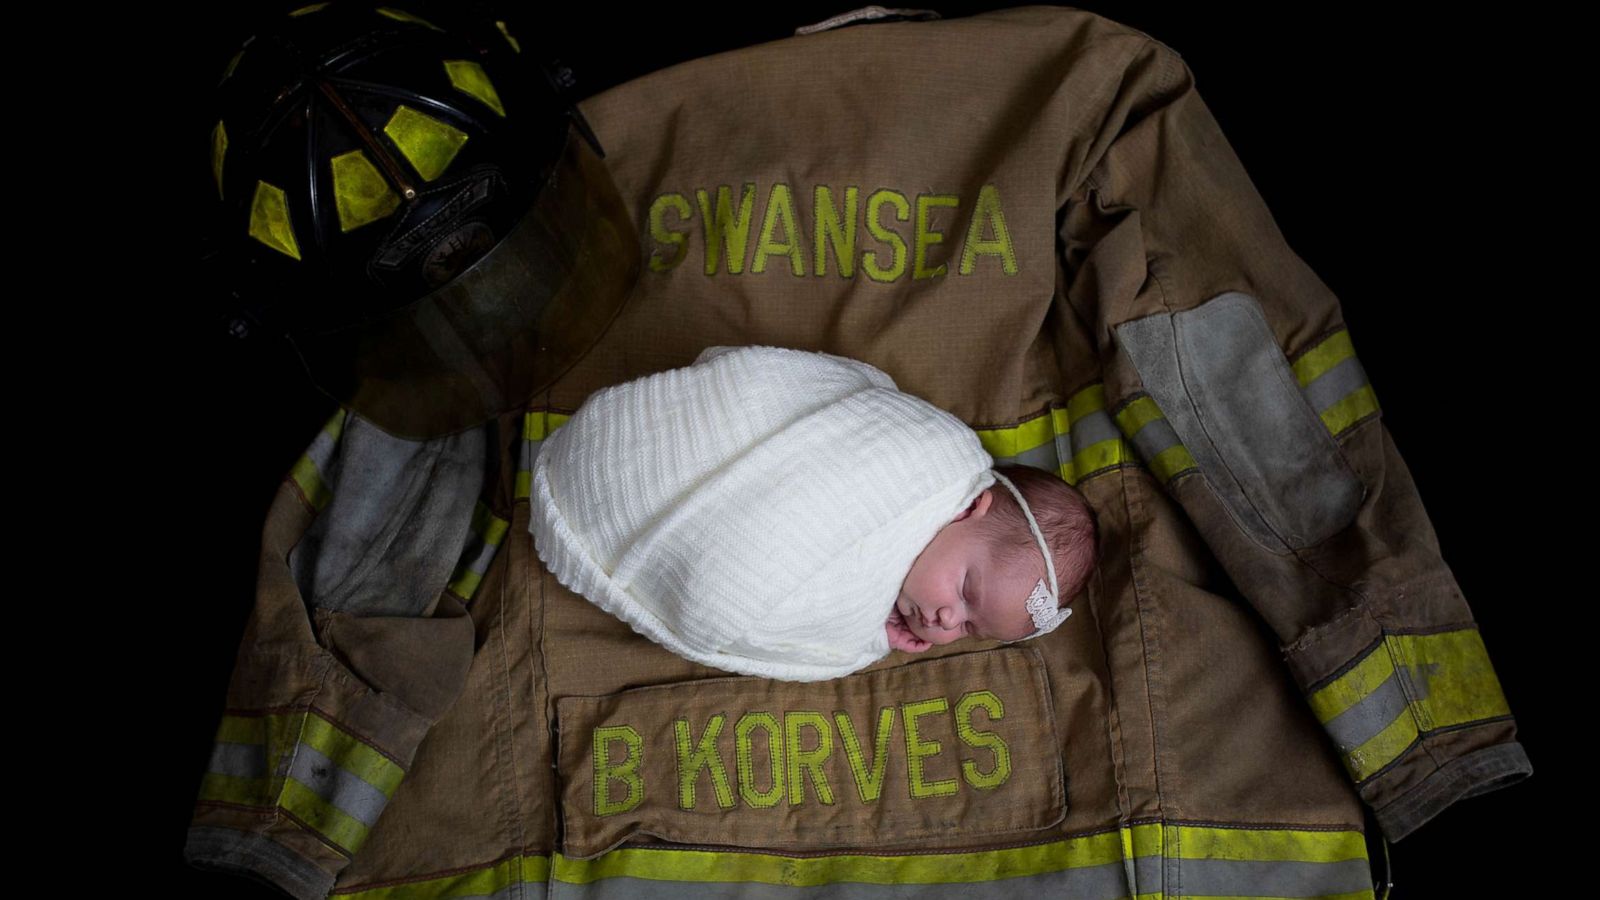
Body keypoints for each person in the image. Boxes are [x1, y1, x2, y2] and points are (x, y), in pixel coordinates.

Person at [528, 344, 1098, 681]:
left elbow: (815, 616)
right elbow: (847, 408)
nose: (948, 621)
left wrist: (870, 630)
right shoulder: (936, 457)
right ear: (973, 507)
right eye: (967, 590)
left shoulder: (882, 610)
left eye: (971, 629)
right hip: (698, 447)